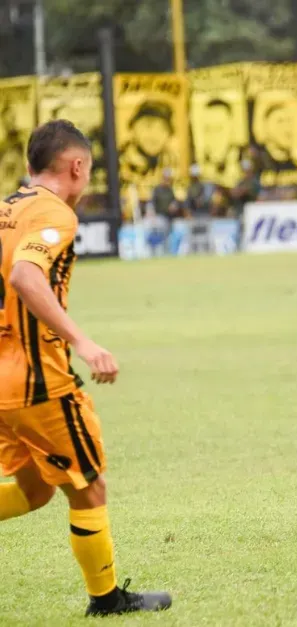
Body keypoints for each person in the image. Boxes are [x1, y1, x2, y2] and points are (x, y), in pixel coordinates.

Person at [0, 120, 172, 616]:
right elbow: (24, 277)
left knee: (33, 492)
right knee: (88, 484)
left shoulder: (6, 210)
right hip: (39, 381)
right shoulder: (55, 214)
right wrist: (84, 342)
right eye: (89, 172)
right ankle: (107, 599)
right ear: (77, 167)